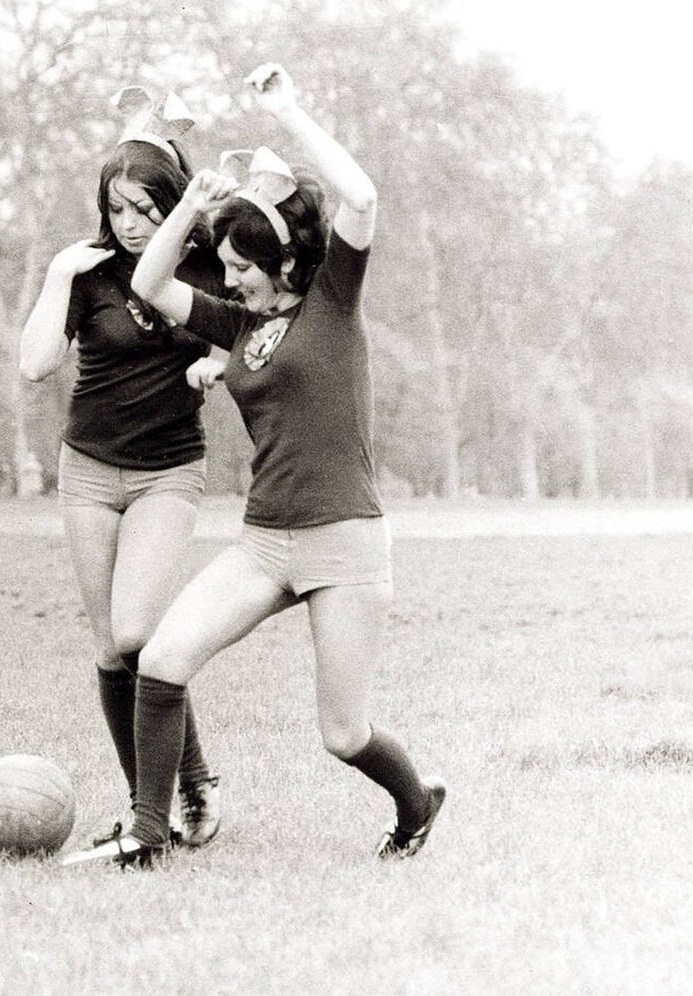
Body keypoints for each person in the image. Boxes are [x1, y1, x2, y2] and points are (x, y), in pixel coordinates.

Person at [64, 64, 445, 868]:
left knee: (343, 734)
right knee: (162, 660)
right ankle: (149, 830)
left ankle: (416, 805)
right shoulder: (240, 326)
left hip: (344, 544)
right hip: (264, 542)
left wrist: (288, 111)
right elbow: (148, 280)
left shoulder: (333, 303)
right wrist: (194, 210)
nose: (227, 277)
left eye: (241, 263)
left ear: (282, 261)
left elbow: (363, 198)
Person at [19, 87, 228, 848]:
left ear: (175, 204)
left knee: (140, 630)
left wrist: (216, 363)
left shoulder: (206, 267)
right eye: (119, 209)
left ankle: (192, 783)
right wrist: (55, 275)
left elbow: (240, 328)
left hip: (167, 471)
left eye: (147, 208)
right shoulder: (90, 271)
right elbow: (37, 363)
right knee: (111, 648)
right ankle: (160, 802)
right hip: (88, 471)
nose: (132, 224)